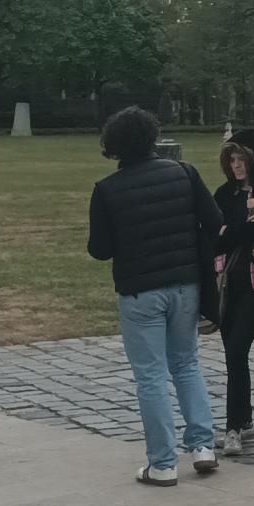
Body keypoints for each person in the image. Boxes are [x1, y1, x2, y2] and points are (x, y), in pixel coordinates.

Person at [87, 107, 220, 486]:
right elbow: (213, 221)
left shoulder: (107, 189)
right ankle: (203, 445)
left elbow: (100, 249)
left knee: (150, 376)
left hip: (139, 289)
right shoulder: (184, 173)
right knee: (187, 364)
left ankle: (162, 462)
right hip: (185, 283)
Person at [213, 138, 254, 455]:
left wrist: (233, 232)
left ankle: (232, 427)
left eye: (240, 159)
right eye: (231, 160)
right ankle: (245, 422)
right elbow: (214, 238)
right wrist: (240, 231)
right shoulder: (224, 194)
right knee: (234, 357)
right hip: (229, 283)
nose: (235, 165)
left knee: (236, 350)